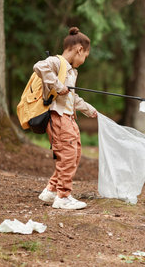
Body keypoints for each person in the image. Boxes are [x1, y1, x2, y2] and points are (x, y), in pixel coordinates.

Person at [34, 27, 97, 210]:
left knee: (73, 154)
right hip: (58, 118)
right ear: (79, 50)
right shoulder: (56, 62)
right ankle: (63, 196)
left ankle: (51, 190)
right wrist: (57, 85)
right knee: (68, 156)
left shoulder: (71, 72)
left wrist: (89, 110)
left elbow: (71, 97)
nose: (84, 60)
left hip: (69, 118)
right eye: (85, 56)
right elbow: (39, 66)